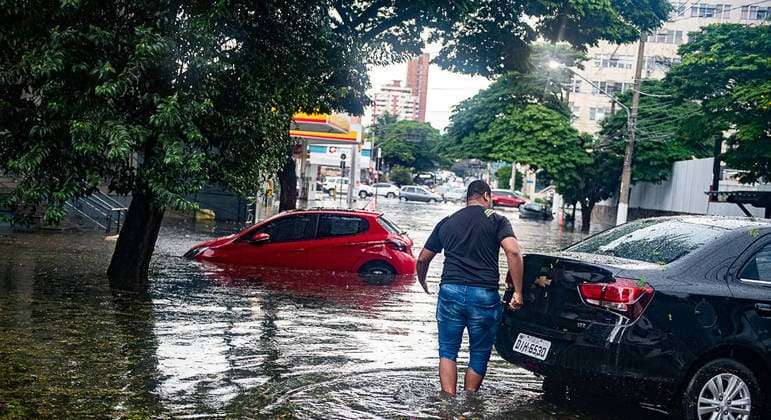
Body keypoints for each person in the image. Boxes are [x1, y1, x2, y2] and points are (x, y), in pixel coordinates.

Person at [416, 179, 524, 396]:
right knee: (479, 352)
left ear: (468, 197)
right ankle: (468, 403)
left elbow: (422, 259)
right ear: (486, 195)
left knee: (447, 351)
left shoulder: (447, 221)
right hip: (484, 295)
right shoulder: (497, 220)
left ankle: (448, 402)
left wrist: (423, 280)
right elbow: (513, 252)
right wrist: (519, 292)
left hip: (450, 291)